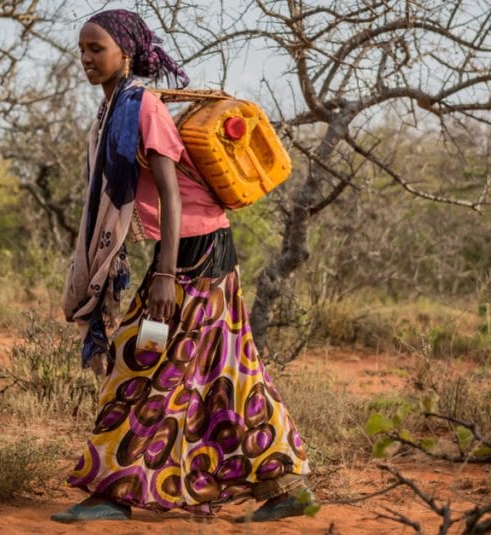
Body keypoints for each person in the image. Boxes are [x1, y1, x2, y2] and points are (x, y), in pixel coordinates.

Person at [54, 9, 311, 523]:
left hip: (197, 254)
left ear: (125, 53)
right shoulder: (113, 110)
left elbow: (172, 195)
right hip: (194, 251)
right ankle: (282, 488)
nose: (86, 58)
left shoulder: (142, 107)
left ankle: (114, 496)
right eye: (81, 49)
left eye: (96, 48)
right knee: (226, 370)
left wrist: (167, 276)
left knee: (142, 362)